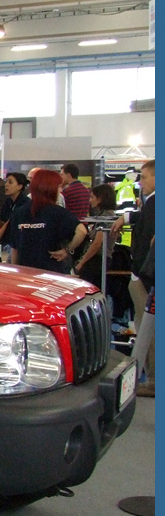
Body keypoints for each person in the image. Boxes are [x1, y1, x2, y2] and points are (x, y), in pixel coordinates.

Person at [112, 160, 154, 389]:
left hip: (146, 276)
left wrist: (142, 273)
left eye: (145, 177)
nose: (140, 182)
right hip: (143, 274)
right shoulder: (151, 203)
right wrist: (127, 217)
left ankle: (154, 379)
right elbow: (144, 219)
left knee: (149, 328)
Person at [7, 169, 87, 274]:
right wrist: (67, 250)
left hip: (26, 271)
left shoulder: (19, 212)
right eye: (59, 187)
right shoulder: (59, 213)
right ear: (50, 188)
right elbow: (82, 231)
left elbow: (15, 248)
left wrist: (16, 270)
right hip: (52, 271)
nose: (60, 190)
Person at [74, 183, 118, 287]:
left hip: (99, 260)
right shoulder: (104, 215)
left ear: (100, 199)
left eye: (92, 197)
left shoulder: (106, 217)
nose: (89, 200)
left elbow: (97, 244)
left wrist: (81, 263)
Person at [0, 171, 29, 263]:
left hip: (20, 245)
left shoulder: (25, 204)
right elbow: (4, 223)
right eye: (6, 181)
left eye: (10, 182)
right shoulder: (8, 202)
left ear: (20, 186)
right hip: (10, 243)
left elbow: (8, 225)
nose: (6, 185)